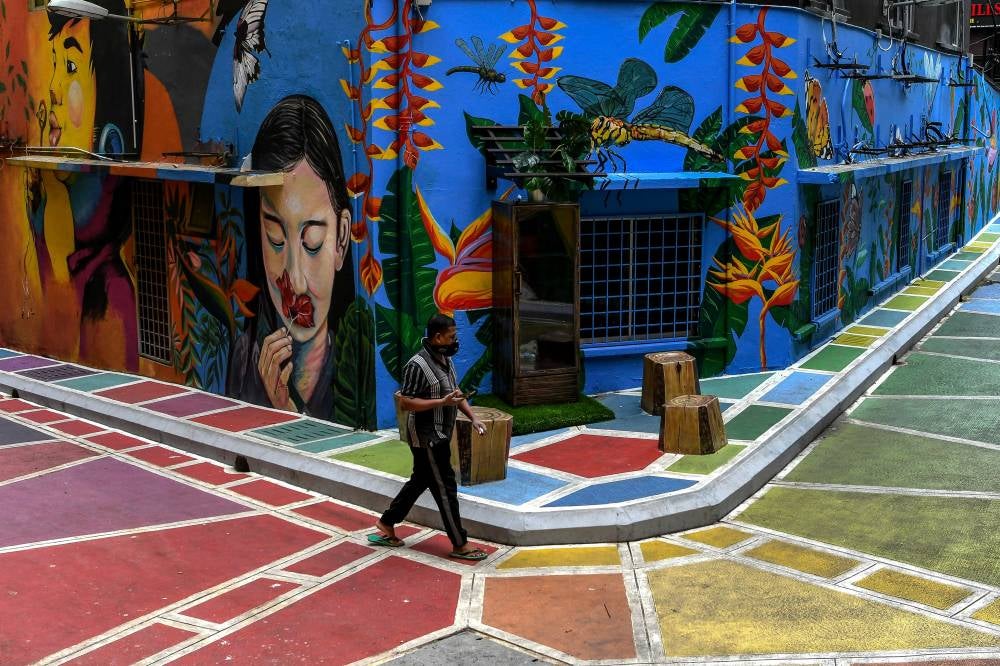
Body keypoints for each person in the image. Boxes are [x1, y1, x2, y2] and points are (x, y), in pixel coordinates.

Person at [24, 0, 143, 370]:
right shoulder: (46, 212)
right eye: (56, 63)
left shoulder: (110, 297)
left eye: (71, 67)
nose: (54, 88)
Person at [227, 94, 356, 418]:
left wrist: (286, 408)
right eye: (275, 239)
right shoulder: (245, 358)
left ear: (341, 238)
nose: (294, 281)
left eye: (312, 242)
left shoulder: (355, 365)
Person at [370, 314, 488, 561]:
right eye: (452, 336)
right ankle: (459, 543)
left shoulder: (446, 359)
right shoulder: (417, 365)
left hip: (442, 433)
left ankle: (386, 523)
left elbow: (454, 393)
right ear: (438, 337)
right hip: (427, 438)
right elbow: (406, 403)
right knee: (445, 488)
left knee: (420, 480)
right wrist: (440, 402)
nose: (455, 341)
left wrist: (472, 417)